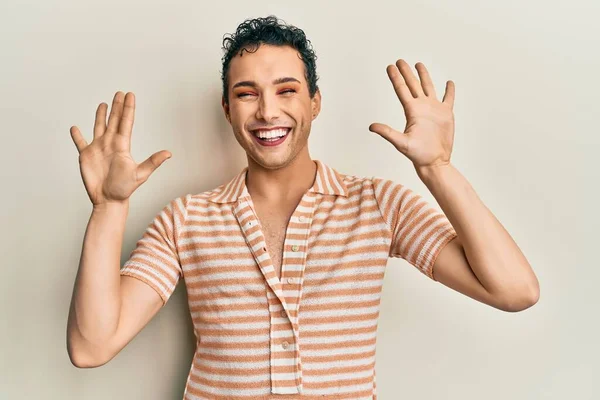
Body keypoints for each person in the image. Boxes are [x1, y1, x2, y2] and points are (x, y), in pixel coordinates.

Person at [66, 15, 540, 400]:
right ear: (228, 110)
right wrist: (109, 207)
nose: (268, 111)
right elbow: (91, 346)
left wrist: (437, 168)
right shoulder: (185, 218)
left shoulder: (378, 204)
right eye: (247, 93)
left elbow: (515, 290)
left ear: (315, 103)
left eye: (287, 90)